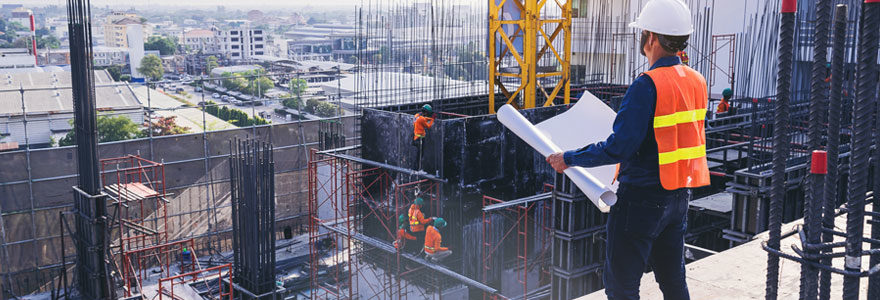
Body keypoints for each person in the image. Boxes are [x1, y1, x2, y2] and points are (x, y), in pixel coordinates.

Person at [546, 0, 708, 299]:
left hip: (642, 201)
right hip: (679, 197)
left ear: (652, 38)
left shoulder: (646, 85)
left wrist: (568, 158)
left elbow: (620, 147)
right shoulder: (697, 81)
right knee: (673, 281)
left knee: (622, 286)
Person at [412, 104, 436, 169]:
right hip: (420, 139)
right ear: (426, 112)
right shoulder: (422, 119)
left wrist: (429, 118)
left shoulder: (417, 115)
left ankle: (416, 168)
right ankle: (417, 169)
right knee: (420, 155)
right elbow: (428, 126)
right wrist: (432, 119)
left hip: (415, 137)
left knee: (417, 154)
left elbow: (423, 119)